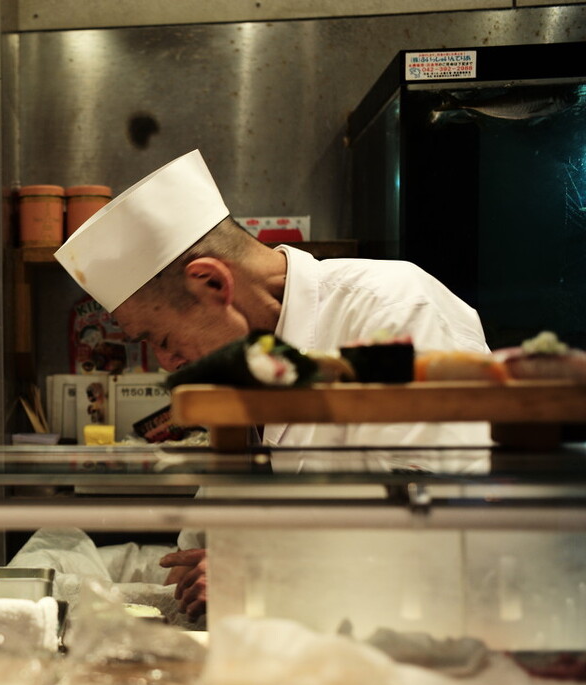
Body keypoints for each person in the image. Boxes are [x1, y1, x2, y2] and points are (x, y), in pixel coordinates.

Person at [53, 149, 493, 621]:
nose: (168, 363)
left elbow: (446, 537)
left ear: (210, 283)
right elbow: (214, 544)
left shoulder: (393, 311)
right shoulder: (248, 358)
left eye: (161, 339)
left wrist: (263, 576)